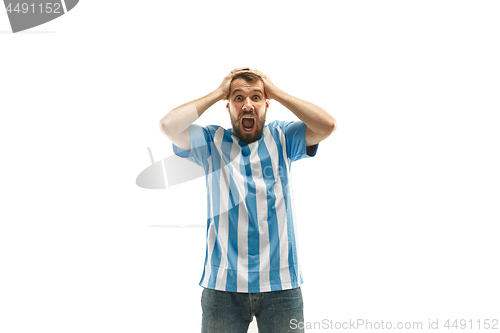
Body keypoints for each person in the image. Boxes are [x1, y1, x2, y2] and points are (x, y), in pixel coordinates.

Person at [159, 68, 336, 333]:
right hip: (223, 288)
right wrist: (219, 92)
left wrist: (275, 91)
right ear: (228, 106)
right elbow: (168, 126)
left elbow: (327, 125)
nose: (247, 104)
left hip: (281, 285)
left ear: (266, 104)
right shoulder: (211, 141)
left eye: (256, 97)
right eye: (238, 98)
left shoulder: (283, 137)